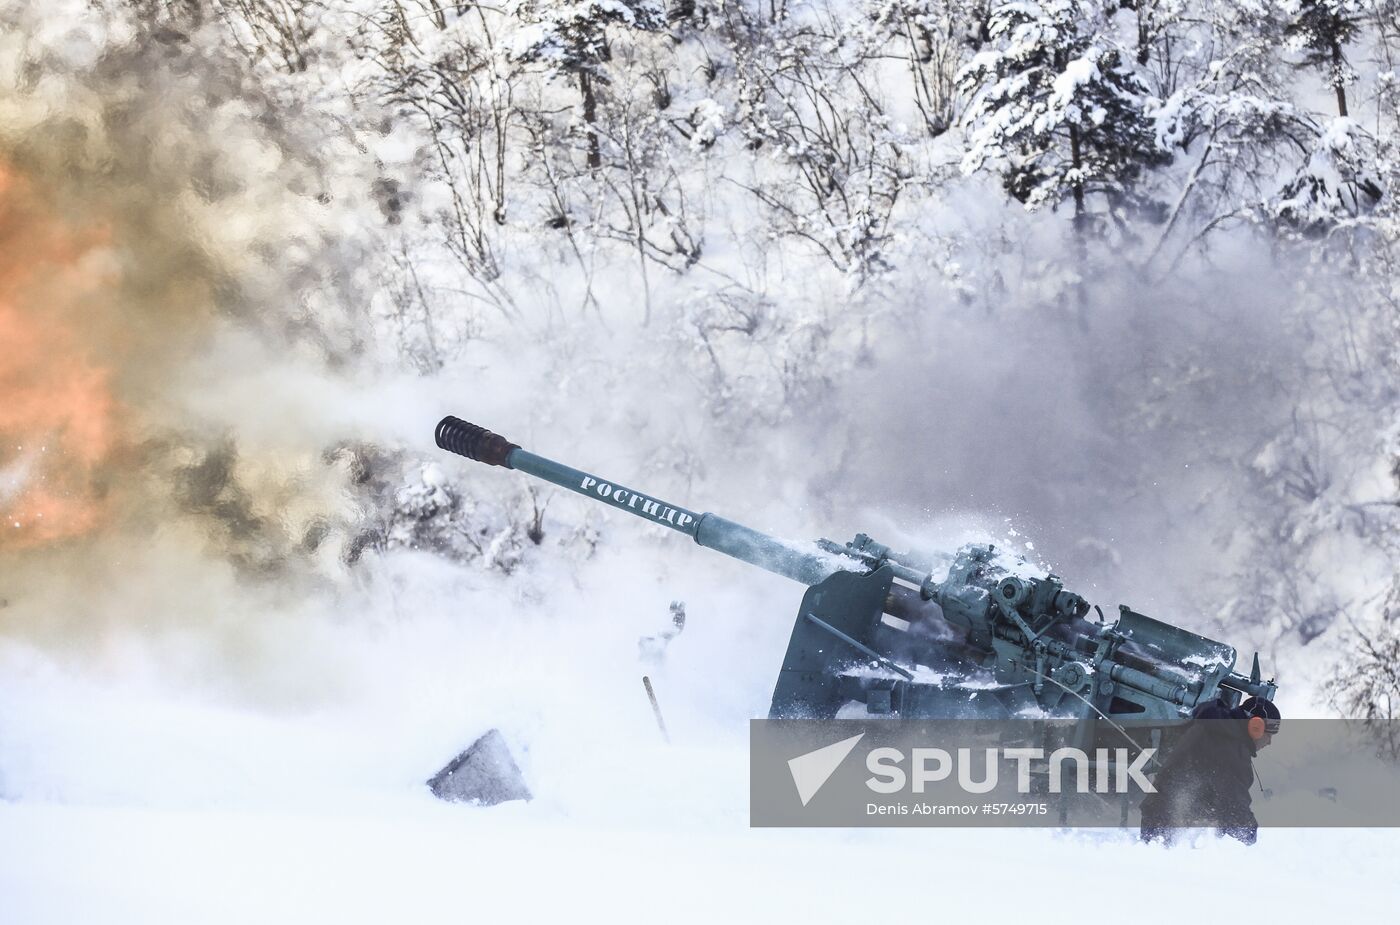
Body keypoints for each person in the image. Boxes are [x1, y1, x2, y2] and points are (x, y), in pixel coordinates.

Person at [1139, 695, 1281, 845]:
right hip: (1170, 828)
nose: (1269, 742)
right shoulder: (1230, 749)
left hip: (1164, 819)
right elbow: (1234, 810)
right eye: (1269, 735)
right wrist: (1255, 842)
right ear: (1256, 728)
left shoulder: (1217, 730)